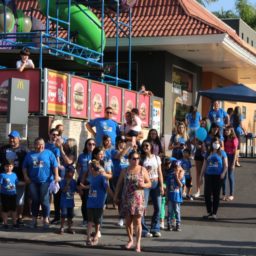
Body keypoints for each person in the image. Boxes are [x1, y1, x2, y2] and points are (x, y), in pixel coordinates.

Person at [114, 151, 151, 252]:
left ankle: (138, 243)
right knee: (128, 222)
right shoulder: (125, 170)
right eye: (134, 158)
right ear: (129, 159)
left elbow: (149, 183)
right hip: (126, 199)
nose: (136, 160)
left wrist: (144, 185)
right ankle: (130, 240)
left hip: (138, 199)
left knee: (138, 222)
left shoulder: (142, 170)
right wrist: (115, 196)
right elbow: (119, 184)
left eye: (138, 158)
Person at [22, 138, 59, 228]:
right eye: (38, 144)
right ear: (34, 145)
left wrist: (56, 176)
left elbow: (55, 165)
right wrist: (26, 177)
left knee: (44, 199)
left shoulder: (49, 153)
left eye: (42, 144)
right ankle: (34, 219)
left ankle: (45, 218)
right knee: (35, 200)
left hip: (45, 181)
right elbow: (24, 167)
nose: (41, 146)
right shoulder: (29, 155)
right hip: (32, 182)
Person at [0, 130, 28, 225]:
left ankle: (19, 218)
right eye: (10, 138)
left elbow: (27, 164)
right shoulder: (3, 149)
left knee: (19, 201)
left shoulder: (24, 150)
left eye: (14, 138)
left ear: (19, 139)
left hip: (19, 178)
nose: (11, 140)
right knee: (3, 200)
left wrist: (26, 177)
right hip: (5, 179)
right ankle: (3, 219)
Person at [140, 140, 164, 238]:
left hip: (155, 183)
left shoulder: (156, 158)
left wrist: (162, 185)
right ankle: (144, 230)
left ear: (151, 147)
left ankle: (155, 228)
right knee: (143, 207)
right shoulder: (142, 159)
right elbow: (139, 172)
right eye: (143, 146)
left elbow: (160, 172)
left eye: (147, 145)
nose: (145, 147)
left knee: (158, 207)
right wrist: (145, 171)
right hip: (146, 183)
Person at [200, 137, 228, 220]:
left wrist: (223, 173)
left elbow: (226, 165)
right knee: (207, 194)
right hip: (208, 175)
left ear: (220, 144)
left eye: (217, 143)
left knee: (216, 195)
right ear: (212, 144)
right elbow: (204, 165)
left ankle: (214, 213)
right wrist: (201, 176)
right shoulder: (208, 153)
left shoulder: (222, 153)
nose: (216, 144)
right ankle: (209, 212)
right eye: (214, 143)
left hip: (218, 176)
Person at [85, 160, 109, 246]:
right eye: (91, 167)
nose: (91, 169)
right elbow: (90, 185)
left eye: (92, 167)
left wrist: (114, 197)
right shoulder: (91, 177)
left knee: (97, 221)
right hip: (90, 202)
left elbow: (107, 188)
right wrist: (84, 187)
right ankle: (88, 238)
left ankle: (96, 236)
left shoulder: (101, 177)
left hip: (99, 203)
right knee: (90, 221)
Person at [111, 136, 132, 226]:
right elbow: (120, 156)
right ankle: (121, 217)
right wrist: (128, 147)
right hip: (118, 175)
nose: (122, 143)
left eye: (124, 141)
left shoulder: (129, 151)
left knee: (128, 198)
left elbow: (134, 157)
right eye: (121, 141)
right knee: (120, 198)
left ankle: (128, 217)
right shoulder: (114, 151)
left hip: (128, 176)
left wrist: (132, 148)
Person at [76, 138, 96, 226]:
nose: (91, 146)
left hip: (93, 181)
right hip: (83, 181)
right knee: (84, 201)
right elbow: (78, 167)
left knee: (92, 201)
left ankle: (93, 220)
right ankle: (85, 219)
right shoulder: (82, 156)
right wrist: (80, 176)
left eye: (93, 144)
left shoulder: (96, 156)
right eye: (89, 144)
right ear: (86, 145)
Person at [0, 159, 24, 229]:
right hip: (4, 195)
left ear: (13, 167)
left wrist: (25, 183)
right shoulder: (2, 175)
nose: (8, 168)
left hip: (13, 194)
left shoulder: (14, 175)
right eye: (7, 166)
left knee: (14, 209)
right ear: (4, 167)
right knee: (5, 209)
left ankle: (14, 223)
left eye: (10, 166)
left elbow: (17, 183)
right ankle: (5, 223)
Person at [45, 128, 61, 224]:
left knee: (56, 195)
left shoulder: (57, 147)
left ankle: (57, 216)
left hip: (54, 175)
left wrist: (57, 175)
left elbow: (58, 162)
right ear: (49, 135)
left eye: (56, 135)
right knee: (47, 196)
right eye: (53, 134)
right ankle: (46, 215)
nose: (55, 136)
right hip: (45, 174)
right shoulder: (45, 146)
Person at [166, 160, 185, 231]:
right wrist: (167, 196)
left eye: (177, 167)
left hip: (177, 197)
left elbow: (181, 185)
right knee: (170, 211)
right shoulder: (170, 176)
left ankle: (178, 224)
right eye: (174, 167)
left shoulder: (181, 176)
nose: (176, 169)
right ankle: (169, 224)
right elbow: (167, 187)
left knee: (177, 211)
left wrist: (177, 177)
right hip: (170, 197)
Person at [59, 165, 77, 235]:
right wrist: (67, 183)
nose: (72, 174)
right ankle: (62, 227)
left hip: (71, 201)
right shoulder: (63, 181)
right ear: (67, 172)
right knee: (63, 215)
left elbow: (76, 189)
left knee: (70, 215)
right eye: (71, 172)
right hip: (64, 201)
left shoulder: (74, 181)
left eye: (73, 172)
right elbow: (63, 190)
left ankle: (69, 227)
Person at [222, 126, 238, 201]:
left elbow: (235, 152)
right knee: (224, 176)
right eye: (225, 130)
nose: (226, 132)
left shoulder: (234, 139)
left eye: (227, 130)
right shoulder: (225, 138)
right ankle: (224, 194)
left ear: (231, 131)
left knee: (230, 176)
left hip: (231, 157)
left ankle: (231, 194)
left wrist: (233, 163)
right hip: (225, 157)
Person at [193, 119, 207, 198]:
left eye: (204, 123)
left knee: (206, 173)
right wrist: (198, 146)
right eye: (202, 123)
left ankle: (206, 191)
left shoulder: (208, 133)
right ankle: (198, 191)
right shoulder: (197, 132)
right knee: (198, 173)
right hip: (198, 154)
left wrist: (204, 147)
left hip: (206, 155)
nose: (203, 124)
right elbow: (195, 143)